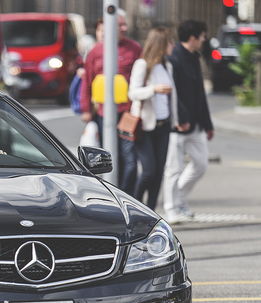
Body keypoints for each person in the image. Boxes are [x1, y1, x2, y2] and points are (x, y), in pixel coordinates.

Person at [79, 10, 142, 195]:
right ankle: (112, 195)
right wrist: (85, 109)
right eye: (120, 25)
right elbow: (87, 81)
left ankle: (127, 195)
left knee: (129, 158)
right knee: (107, 157)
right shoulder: (96, 51)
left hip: (128, 113)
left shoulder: (134, 48)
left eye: (125, 25)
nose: (125, 28)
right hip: (103, 114)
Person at [163, 20, 214, 224]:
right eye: (202, 36)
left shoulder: (194, 57)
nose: (203, 40)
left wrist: (208, 123)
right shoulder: (172, 59)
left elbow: (200, 94)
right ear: (192, 38)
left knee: (201, 163)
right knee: (173, 169)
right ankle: (171, 209)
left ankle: (180, 199)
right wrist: (180, 119)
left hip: (196, 123)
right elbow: (173, 93)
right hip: (177, 124)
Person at [128, 27, 184, 211]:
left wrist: (175, 120)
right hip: (144, 125)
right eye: (170, 42)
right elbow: (132, 93)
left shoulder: (168, 65)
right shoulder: (142, 65)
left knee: (159, 172)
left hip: (164, 125)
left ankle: (151, 211)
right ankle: (134, 207)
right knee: (149, 171)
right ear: (160, 44)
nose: (173, 45)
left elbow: (173, 97)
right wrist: (154, 89)